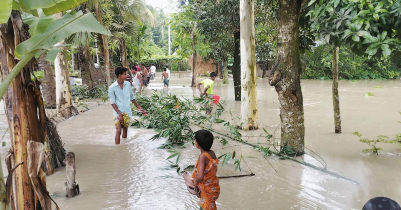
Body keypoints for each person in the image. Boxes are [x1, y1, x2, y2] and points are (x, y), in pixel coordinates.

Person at [108, 67, 145, 144]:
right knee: (118, 130)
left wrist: (138, 107)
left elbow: (132, 97)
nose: (126, 76)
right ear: (119, 75)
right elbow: (112, 103)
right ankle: (117, 149)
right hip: (117, 113)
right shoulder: (112, 88)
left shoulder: (128, 85)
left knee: (125, 129)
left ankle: (123, 146)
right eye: (125, 74)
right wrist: (119, 114)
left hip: (127, 112)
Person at [191, 130, 220, 210]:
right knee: (208, 205)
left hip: (206, 190)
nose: (194, 141)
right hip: (214, 187)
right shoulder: (212, 153)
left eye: (195, 140)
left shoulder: (202, 157)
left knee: (207, 206)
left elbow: (200, 177)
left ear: (198, 144)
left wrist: (195, 181)